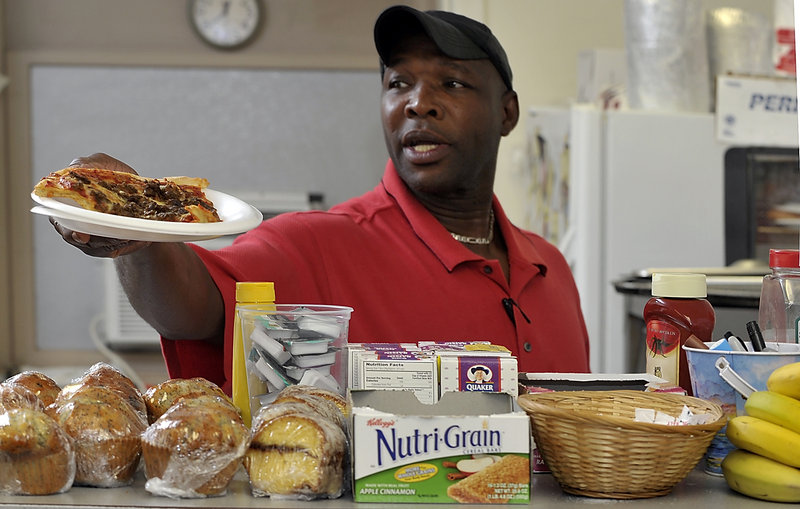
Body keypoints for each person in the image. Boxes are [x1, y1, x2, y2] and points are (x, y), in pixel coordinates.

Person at [51, 5, 590, 395]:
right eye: (399, 82)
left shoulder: (552, 268)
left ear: (507, 113)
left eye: (451, 84)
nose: (418, 103)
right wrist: (135, 226)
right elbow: (191, 308)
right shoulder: (318, 244)